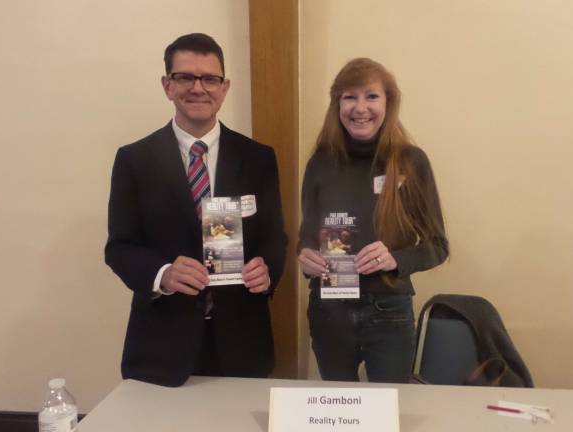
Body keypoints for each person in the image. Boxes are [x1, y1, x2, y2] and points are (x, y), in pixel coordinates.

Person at [105, 33, 287, 387]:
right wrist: (162, 274)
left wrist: (267, 270)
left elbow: (274, 238)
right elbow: (119, 247)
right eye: (185, 77)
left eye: (209, 78)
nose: (198, 88)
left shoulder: (258, 158)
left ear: (224, 86)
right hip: (162, 342)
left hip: (242, 341)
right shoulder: (134, 160)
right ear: (167, 85)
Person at [297, 58, 448, 383]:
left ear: (388, 102)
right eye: (349, 97)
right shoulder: (320, 163)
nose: (360, 108)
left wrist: (396, 257)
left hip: (389, 310)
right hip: (329, 310)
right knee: (338, 408)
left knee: (387, 410)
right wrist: (305, 257)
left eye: (371, 96)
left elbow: (438, 246)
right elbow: (306, 237)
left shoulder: (411, 161)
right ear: (337, 104)